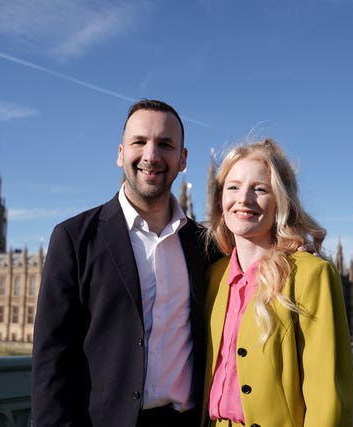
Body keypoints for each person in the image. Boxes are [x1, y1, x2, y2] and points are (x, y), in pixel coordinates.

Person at [32, 99, 217, 427]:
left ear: (183, 159)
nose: (151, 155)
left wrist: (292, 248)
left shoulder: (206, 245)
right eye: (139, 142)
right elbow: (51, 361)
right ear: (120, 153)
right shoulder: (74, 238)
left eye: (165, 144)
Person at [202, 139, 353, 427]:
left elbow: (328, 399)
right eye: (233, 187)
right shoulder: (213, 277)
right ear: (220, 199)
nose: (243, 199)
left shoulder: (310, 274)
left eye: (260, 189)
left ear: (281, 201)